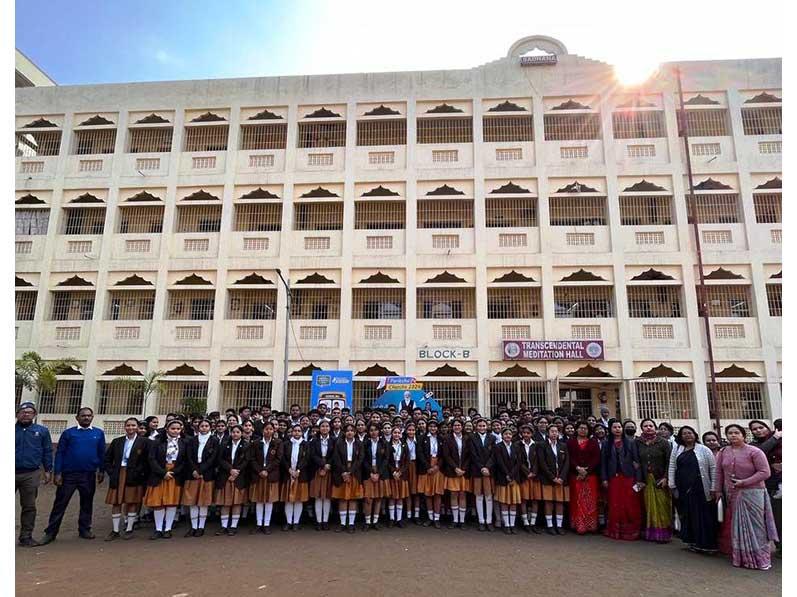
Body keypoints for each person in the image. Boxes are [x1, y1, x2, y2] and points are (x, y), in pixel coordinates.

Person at [713, 424, 778, 570]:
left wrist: (744, 482)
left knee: (756, 527)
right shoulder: (723, 452)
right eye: (730, 433)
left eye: (736, 433)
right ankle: (743, 559)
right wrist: (717, 491)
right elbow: (718, 473)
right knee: (738, 526)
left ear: (743, 435)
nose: (733, 435)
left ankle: (761, 560)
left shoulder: (754, 451)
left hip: (754, 493)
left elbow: (764, 472)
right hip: (733, 494)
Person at [40, 407, 106, 545]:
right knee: (60, 504)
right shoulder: (69, 433)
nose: (86, 418)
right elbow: (60, 453)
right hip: (69, 475)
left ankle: (84, 529)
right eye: (83, 416)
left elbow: (101, 453)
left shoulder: (98, 433)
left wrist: (101, 470)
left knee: (87, 503)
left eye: (89, 416)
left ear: (92, 417)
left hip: (88, 475)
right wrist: (57, 472)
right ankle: (51, 532)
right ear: (77, 418)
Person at [667, 425, 718, 554]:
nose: (687, 435)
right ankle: (692, 541)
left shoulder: (704, 449)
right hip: (683, 488)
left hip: (700, 487)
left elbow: (713, 468)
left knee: (703, 516)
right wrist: (672, 484)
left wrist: (713, 487)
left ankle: (706, 544)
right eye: (684, 433)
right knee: (688, 515)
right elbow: (672, 466)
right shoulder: (677, 449)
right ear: (680, 436)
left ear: (695, 434)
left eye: (690, 433)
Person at [103, 417, 149, 540]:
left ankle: (129, 528)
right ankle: (115, 530)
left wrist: (140, 472)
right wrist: (112, 472)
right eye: (128, 425)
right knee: (116, 502)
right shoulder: (117, 441)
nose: (131, 428)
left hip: (134, 475)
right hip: (119, 473)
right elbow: (107, 459)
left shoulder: (144, 442)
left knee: (132, 501)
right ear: (125, 427)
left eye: (133, 425)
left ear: (138, 427)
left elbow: (146, 460)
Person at [15, 402, 53, 547]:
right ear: (17, 414)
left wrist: (48, 470)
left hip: (30, 474)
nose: (26, 414)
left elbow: (47, 451)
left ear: (34, 415)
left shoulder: (41, 431)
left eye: (30, 412)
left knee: (29, 506)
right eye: (23, 412)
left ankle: (26, 536)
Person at [143, 419, 187, 539]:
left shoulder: (184, 443)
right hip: (159, 474)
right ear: (167, 429)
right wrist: (163, 473)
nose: (175, 431)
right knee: (159, 503)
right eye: (173, 428)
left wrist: (173, 472)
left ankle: (167, 528)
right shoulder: (157, 442)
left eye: (178, 429)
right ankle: (158, 529)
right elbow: (151, 459)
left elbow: (184, 461)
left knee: (171, 503)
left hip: (175, 474)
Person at [601, 419, 643, 541]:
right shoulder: (606, 443)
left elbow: (636, 462)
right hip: (613, 477)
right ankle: (615, 530)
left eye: (619, 427)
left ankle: (631, 531)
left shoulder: (631, 442)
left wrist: (639, 478)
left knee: (630, 503)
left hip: (628, 477)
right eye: (614, 427)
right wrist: (604, 478)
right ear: (610, 429)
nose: (617, 429)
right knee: (615, 503)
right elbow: (603, 463)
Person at [636, 418, 673, 543]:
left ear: (655, 428)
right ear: (642, 428)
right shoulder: (638, 442)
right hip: (645, 479)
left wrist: (666, 477)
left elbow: (670, 461)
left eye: (650, 425)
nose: (648, 427)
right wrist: (639, 478)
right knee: (648, 505)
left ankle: (663, 534)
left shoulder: (663, 442)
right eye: (645, 425)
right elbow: (636, 461)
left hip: (660, 479)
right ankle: (651, 533)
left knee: (662, 505)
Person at [182, 418, 220, 537]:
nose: (204, 428)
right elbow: (188, 456)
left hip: (206, 474)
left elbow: (213, 458)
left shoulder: (214, 440)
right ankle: (193, 527)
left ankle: (201, 527)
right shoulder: (192, 440)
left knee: (203, 501)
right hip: (193, 473)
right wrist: (194, 470)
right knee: (193, 501)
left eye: (206, 426)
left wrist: (201, 470)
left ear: (210, 427)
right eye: (202, 426)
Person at [749, 419, 782, 554]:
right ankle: (781, 545)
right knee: (778, 516)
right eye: (755, 429)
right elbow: (759, 453)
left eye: (761, 427)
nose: (758, 430)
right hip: (771, 485)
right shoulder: (753, 446)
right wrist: (775, 437)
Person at [567, 420, 601, 535]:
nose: (583, 430)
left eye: (585, 428)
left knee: (589, 501)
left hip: (590, 476)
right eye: (581, 428)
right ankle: (578, 525)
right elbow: (569, 457)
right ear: (577, 429)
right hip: (575, 475)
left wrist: (586, 470)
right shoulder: (570, 442)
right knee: (577, 500)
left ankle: (590, 526)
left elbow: (596, 458)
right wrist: (577, 468)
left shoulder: (593, 442)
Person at [249, 420, 283, 534]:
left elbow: (278, 459)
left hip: (271, 474)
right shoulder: (255, 443)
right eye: (266, 429)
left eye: (271, 429)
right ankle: (259, 524)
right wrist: (260, 470)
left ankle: (266, 524)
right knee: (259, 500)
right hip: (258, 474)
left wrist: (267, 470)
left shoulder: (278, 443)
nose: (268, 431)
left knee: (269, 500)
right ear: (262, 430)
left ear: (274, 431)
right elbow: (252, 459)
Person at [215, 424, 249, 536]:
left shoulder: (246, 445)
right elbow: (220, 459)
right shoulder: (224, 444)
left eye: (238, 432)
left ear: (242, 433)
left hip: (239, 477)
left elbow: (246, 461)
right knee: (225, 503)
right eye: (233, 432)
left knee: (237, 503)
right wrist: (230, 470)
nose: (235, 434)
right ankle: (224, 526)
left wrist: (236, 472)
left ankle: (233, 526)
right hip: (225, 476)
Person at [331, 423, 364, 533]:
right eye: (348, 430)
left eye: (352, 430)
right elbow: (336, 458)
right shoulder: (339, 443)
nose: (350, 432)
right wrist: (343, 472)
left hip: (354, 473)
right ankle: (342, 523)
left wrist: (350, 472)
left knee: (353, 498)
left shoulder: (359, 443)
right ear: (344, 432)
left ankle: (351, 524)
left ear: (355, 432)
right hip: (342, 473)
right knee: (343, 499)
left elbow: (360, 459)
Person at [537, 424, 570, 535]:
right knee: (549, 502)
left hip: (561, 479)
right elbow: (542, 463)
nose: (554, 433)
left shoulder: (563, 446)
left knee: (559, 502)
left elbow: (567, 463)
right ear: (548, 433)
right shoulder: (542, 445)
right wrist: (552, 477)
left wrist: (561, 477)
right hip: (548, 479)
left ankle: (559, 526)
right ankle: (550, 525)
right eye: (552, 431)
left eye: (556, 431)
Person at [466, 418, 496, 531]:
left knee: (489, 496)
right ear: (476, 427)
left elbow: (494, 455)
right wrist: (481, 467)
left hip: (489, 471)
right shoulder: (472, 438)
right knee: (479, 496)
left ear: (487, 426)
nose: (482, 427)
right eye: (480, 426)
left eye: (484, 425)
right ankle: (481, 521)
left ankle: (489, 521)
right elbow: (473, 455)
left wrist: (487, 467)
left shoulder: (492, 438)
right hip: (477, 470)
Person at [493, 428, 522, 534]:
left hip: (514, 477)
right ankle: (506, 524)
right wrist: (507, 474)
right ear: (502, 435)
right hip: (503, 477)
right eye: (506, 434)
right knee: (504, 501)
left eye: (510, 434)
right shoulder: (498, 446)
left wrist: (512, 475)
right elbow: (499, 462)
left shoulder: (517, 446)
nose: (508, 436)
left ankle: (512, 524)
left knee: (513, 502)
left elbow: (519, 462)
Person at [281, 424, 310, 531]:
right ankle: (289, 522)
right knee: (288, 499)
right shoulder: (286, 444)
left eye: (299, 431)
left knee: (298, 499)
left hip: (300, 475)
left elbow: (306, 458)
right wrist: (289, 469)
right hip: (288, 474)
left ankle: (296, 522)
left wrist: (298, 470)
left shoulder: (306, 444)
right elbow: (283, 458)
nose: (297, 432)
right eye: (295, 430)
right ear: (292, 432)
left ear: (302, 433)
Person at [362, 423, 390, 531]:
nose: (374, 432)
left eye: (376, 430)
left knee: (378, 498)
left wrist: (378, 473)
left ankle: (375, 521)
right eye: (371, 430)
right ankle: (367, 522)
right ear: (368, 432)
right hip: (368, 472)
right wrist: (370, 473)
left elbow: (386, 460)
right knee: (368, 498)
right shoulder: (365, 443)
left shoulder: (384, 443)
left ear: (379, 431)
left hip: (380, 473)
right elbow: (363, 459)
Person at [442, 419, 469, 529]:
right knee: (453, 495)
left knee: (462, 495)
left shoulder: (467, 438)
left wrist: (463, 469)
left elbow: (469, 456)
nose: (457, 427)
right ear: (451, 427)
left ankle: (462, 521)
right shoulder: (447, 439)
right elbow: (446, 456)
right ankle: (455, 519)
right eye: (455, 425)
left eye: (459, 425)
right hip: (452, 471)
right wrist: (455, 468)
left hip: (464, 472)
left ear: (462, 426)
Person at [308, 420, 335, 530]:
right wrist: (323, 465)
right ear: (319, 428)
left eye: (326, 426)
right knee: (318, 496)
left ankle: (325, 521)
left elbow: (335, 454)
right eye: (322, 426)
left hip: (329, 469)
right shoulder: (314, 441)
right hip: (317, 469)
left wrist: (328, 465)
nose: (324, 428)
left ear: (330, 428)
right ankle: (319, 521)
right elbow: (313, 455)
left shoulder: (334, 440)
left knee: (327, 496)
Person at [418, 419, 444, 527]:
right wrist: (428, 467)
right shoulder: (422, 438)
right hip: (427, 467)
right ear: (428, 427)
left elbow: (444, 454)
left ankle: (437, 518)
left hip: (438, 467)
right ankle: (430, 517)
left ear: (437, 428)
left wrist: (437, 466)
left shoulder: (441, 439)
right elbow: (420, 453)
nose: (433, 428)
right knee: (428, 493)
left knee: (437, 493)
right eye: (431, 426)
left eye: (435, 426)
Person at [517, 424, 541, 533]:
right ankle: (525, 522)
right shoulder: (518, 445)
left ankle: (533, 523)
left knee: (535, 499)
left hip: (535, 477)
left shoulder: (537, 445)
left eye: (528, 433)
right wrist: (527, 473)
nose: (526, 435)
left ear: (532, 434)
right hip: (524, 476)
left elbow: (538, 460)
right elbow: (519, 461)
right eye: (524, 433)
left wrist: (534, 472)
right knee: (524, 500)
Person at [387, 426, 409, 527]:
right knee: (392, 496)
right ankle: (391, 518)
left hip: (401, 473)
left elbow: (407, 461)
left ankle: (399, 519)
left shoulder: (404, 445)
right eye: (394, 433)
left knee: (400, 496)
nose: (396, 435)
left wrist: (400, 472)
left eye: (398, 433)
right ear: (392, 434)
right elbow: (386, 460)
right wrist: (393, 472)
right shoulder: (388, 445)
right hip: (392, 474)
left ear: (401, 434)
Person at [403, 422, 422, 524]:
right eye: (409, 430)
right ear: (406, 431)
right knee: (408, 492)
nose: (411, 432)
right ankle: (409, 514)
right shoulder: (402, 441)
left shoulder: (419, 440)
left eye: (413, 430)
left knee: (416, 492)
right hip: (405, 467)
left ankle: (417, 515)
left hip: (416, 466)